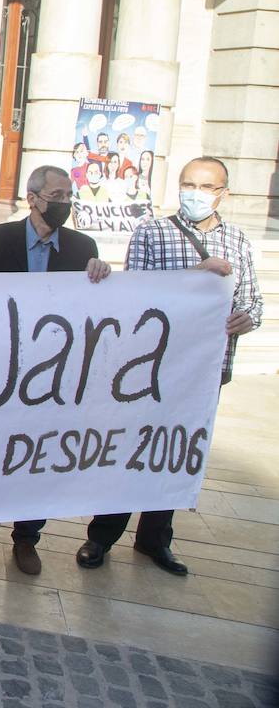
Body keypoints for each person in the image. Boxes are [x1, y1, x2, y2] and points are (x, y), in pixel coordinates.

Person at [76, 156, 262, 577]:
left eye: (206, 187)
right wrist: (199, 272)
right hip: (150, 368)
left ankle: (155, 539)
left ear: (223, 193)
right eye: (187, 184)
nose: (195, 194)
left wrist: (246, 317)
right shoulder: (153, 231)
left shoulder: (239, 241)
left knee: (176, 451)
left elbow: (254, 300)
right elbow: (141, 293)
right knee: (132, 447)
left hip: (203, 371)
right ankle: (102, 535)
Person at [0, 166, 110, 575]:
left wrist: (102, 273)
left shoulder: (82, 246)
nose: (63, 201)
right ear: (33, 198)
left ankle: (27, 537)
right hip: (1, 365)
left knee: (37, 452)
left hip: (52, 372)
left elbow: (90, 307)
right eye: (56, 194)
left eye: (68, 195)